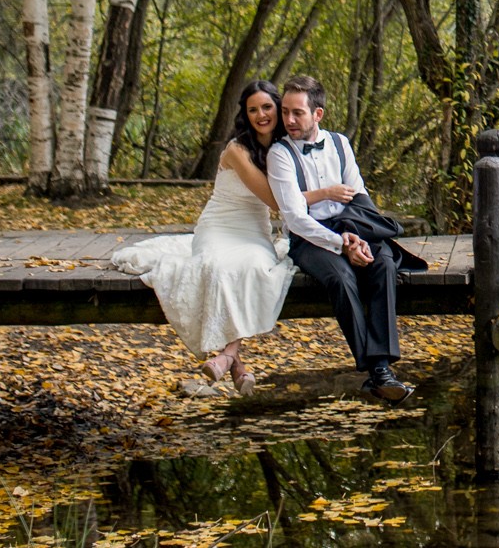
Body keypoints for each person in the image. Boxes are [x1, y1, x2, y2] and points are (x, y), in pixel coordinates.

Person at [111, 80, 344, 396]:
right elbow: (276, 201)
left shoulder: (284, 148)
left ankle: (230, 359)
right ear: (245, 114)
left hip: (254, 231)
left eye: (267, 107)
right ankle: (233, 359)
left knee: (254, 267)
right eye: (253, 110)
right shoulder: (237, 150)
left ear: (278, 109)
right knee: (220, 267)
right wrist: (327, 192)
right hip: (220, 227)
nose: (261, 115)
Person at [267, 74, 419, 403]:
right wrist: (341, 244)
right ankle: (378, 371)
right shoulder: (279, 154)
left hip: (352, 225)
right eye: (285, 112)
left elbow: (358, 194)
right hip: (308, 237)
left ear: (318, 114)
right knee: (340, 277)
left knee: (384, 263)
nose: (289, 120)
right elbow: (294, 216)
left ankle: (380, 371)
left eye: (297, 113)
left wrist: (357, 236)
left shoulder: (340, 143)